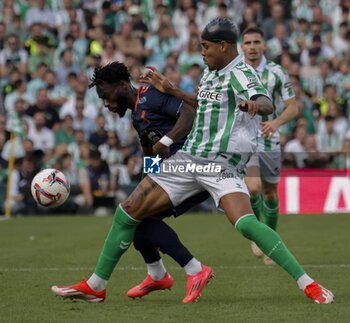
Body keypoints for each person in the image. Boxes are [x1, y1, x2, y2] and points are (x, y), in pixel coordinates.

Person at [51, 18, 334, 305]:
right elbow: (201, 106)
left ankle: (308, 284)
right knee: (128, 212)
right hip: (189, 160)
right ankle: (99, 285)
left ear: (223, 46)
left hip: (220, 165)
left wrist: (253, 104)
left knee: (246, 224)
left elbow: (266, 102)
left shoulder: (241, 73)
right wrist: (173, 90)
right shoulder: (210, 74)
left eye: (206, 46)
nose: (202, 51)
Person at [53, 61, 213, 303]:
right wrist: (145, 180)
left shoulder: (151, 94)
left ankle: (192, 269)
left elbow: (189, 113)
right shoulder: (138, 115)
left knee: (133, 214)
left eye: (106, 95)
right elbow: (150, 150)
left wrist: (166, 142)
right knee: (136, 217)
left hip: (193, 170)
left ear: (121, 84)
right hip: (174, 172)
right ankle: (158, 274)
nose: (106, 103)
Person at [240, 26, 299, 264]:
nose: (252, 47)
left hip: (269, 140)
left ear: (263, 45)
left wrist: (276, 122)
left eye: (256, 42)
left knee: (270, 194)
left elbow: (293, 107)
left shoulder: (277, 72)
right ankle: (257, 235)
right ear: (241, 46)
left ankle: (271, 240)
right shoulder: (236, 71)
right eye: (248, 43)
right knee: (252, 189)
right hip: (244, 140)